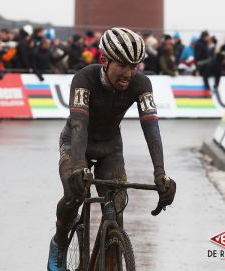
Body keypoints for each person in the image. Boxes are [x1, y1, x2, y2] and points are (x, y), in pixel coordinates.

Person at [47, 27, 177, 271]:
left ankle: (110, 257)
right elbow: (79, 124)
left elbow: (151, 127)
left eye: (134, 66)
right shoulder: (84, 78)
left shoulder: (141, 83)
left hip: (110, 147)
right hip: (77, 142)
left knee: (116, 207)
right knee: (74, 194)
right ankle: (60, 242)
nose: (129, 73)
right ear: (104, 60)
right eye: (123, 65)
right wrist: (77, 166)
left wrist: (160, 172)